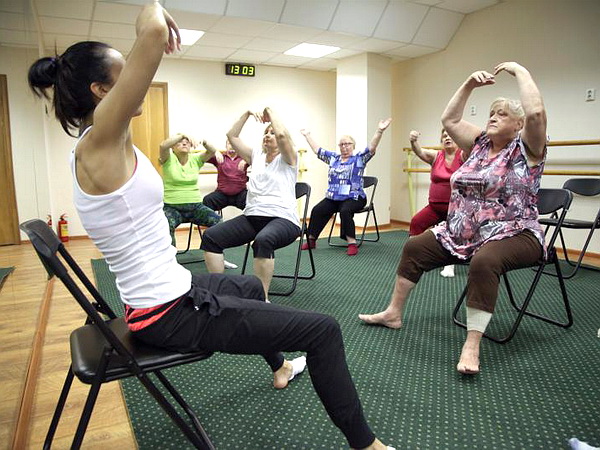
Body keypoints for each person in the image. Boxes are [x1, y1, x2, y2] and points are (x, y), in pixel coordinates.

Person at [27, 4, 392, 448]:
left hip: (170, 294)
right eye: (124, 75)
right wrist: (156, 11)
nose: (135, 80)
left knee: (248, 288)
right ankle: (367, 445)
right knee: (323, 330)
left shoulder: (98, 143)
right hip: (167, 315)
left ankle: (279, 366)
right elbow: (153, 27)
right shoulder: (100, 142)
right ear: (101, 91)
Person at [359, 62, 547, 375]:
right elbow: (449, 119)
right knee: (415, 247)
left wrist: (519, 70)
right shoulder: (478, 144)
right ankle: (393, 313)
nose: (493, 117)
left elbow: (538, 114)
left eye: (502, 113)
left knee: (484, 262)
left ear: (518, 124)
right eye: (491, 112)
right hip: (464, 232)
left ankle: (472, 344)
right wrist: (469, 84)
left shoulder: (526, 149)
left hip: (516, 234)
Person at [201, 109, 302, 300]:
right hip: (252, 217)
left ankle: (261, 299)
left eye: (271, 133)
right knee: (211, 237)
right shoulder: (256, 155)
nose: (268, 136)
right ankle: (218, 294)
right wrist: (246, 114)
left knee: (263, 241)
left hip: (284, 219)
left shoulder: (289, 157)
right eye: (266, 133)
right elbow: (231, 135)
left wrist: (270, 111)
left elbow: (281, 134)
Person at [299, 118, 392, 256]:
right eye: (341, 144)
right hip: (334, 197)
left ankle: (352, 242)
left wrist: (379, 131)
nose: (344, 147)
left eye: (347, 144)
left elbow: (371, 148)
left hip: (355, 197)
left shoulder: (359, 159)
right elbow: (317, 150)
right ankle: (312, 239)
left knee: (345, 210)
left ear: (353, 146)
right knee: (317, 210)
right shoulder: (333, 158)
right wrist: (307, 135)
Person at [159, 134, 237, 269]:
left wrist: (204, 141)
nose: (184, 143)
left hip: (195, 208)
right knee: (165, 225)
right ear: (173, 147)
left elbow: (212, 151)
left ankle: (218, 256)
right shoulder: (168, 159)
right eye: (180, 142)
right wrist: (183, 135)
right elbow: (163, 146)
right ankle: (170, 264)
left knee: (217, 221)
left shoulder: (195, 159)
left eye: (187, 142)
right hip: (172, 208)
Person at [408, 129, 463, 277]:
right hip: (434, 207)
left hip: (456, 209)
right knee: (416, 222)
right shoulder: (436, 156)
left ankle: (449, 265)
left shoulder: (464, 156)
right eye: (444, 136)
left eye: (450, 135)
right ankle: (414, 254)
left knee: (451, 232)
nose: (447, 138)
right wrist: (413, 141)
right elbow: (419, 152)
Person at [202, 138, 249, 212]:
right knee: (208, 200)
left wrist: (247, 159)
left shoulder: (244, 158)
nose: (232, 145)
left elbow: (261, 156)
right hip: (222, 194)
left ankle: (251, 223)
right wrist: (215, 152)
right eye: (229, 143)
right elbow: (205, 147)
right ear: (226, 146)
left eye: (234, 143)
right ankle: (211, 223)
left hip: (240, 194)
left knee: (252, 201)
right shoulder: (220, 157)